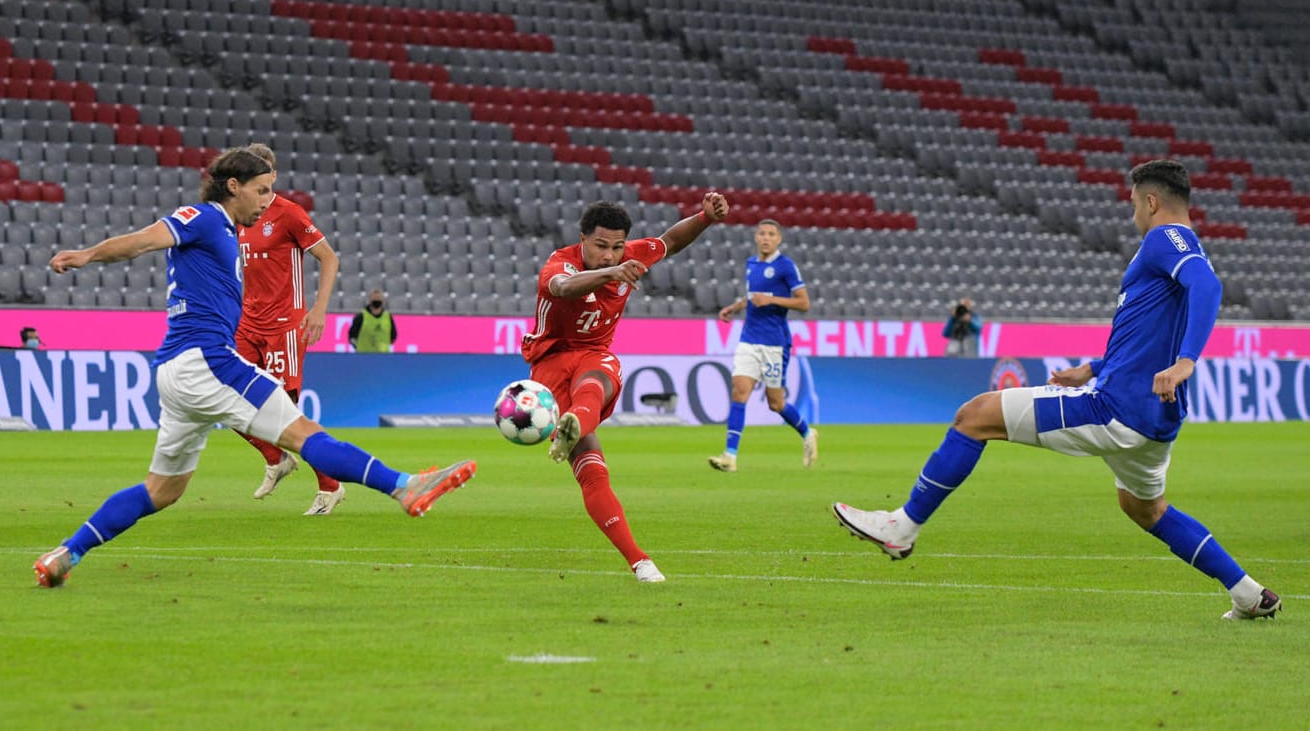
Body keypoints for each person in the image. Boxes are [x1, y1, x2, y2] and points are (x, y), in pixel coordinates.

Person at [833, 159, 1281, 621]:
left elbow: (1208, 286)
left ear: (1152, 202)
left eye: (1134, 206)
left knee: (974, 417)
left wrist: (1186, 361)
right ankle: (1248, 593)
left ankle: (902, 526)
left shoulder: (1165, 240)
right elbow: (1148, 335)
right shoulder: (1182, 248)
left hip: (1118, 409)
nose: (1133, 216)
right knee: (1144, 508)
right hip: (1155, 417)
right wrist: (1092, 367)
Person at [33, 147, 476, 588]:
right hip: (208, 361)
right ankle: (403, 486)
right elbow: (147, 239)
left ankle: (66, 553)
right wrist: (88, 255)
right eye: (260, 190)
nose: (267, 200)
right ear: (234, 187)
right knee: (305, 434)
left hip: (176, 370)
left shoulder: (225, 229)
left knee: (162, 490)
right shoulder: (205, 217)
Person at [522, 193, 730, 582]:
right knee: (591, 472)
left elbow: (669, 242)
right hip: (550, 363)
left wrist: (704, 217)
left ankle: (641, 563)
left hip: (592, 356)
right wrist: (610, 274)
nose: (609, 254)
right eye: (600, 246)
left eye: (617, 247)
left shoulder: (627, 256)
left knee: (598, 379)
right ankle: (576, 428)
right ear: (582, 239)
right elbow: (565, 288)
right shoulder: (559, 264)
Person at [233, 143, 345, 515]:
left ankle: (330, 485)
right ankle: (274, 458)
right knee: (221, 395)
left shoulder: (289, 214)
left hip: (285, 326)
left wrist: (318, 310)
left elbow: (329, 257)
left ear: (273, 175)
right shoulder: (239, 216)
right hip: (247, 323)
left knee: (284, 415)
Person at [707, 218, 817, 473]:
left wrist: (771, 300)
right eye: (762, 233)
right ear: (756, 237)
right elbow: (751, 296)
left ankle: (807, 432)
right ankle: (730, 456)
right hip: (749, 338)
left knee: (775, 403)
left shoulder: (785, 266)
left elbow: (803, 303)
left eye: (771, 234)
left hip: (774, 343)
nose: (766, 238)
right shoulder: (751, 264)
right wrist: (734, 308)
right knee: (740, 391)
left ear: (779, 239)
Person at [349, 288, 397, 352]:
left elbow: (393, 337)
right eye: (374, 298)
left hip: (383, 358)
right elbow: (352, 337)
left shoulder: (388, 317)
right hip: (364, 357)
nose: (377, 300)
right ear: (370, 300)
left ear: (383, 300)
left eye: (379, 298)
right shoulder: (360, 317)